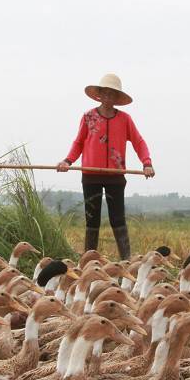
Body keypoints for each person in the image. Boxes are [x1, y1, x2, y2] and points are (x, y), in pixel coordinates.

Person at [57, 73, 155, 260]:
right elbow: (78, 142)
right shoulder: (88, 117)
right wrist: (67, 161)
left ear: (117, 98)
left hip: (115, 175)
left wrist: (146, 163)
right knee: (92, 219)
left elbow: (139, 142)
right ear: (99, 95)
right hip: (91, 174)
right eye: (105, 93)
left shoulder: (125, 119)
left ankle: (126, 261)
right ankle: (88, 260)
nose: (108, 98)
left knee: (117, 218)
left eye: (112, 94)